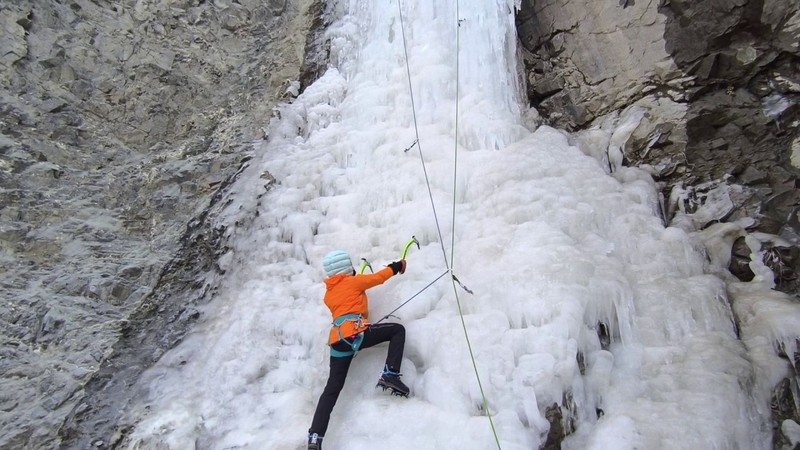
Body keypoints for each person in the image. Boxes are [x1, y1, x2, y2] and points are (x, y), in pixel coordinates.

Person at [307, 250, 410, 450]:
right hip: (356, 333)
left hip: (338, 342)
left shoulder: (329, 294)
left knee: (331, 390)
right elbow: (378, 278)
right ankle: (390, 375)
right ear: (346, 269)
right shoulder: (353, 282)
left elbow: (347, 300)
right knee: (397, 330)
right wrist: (397, 267)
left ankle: (315, 436)